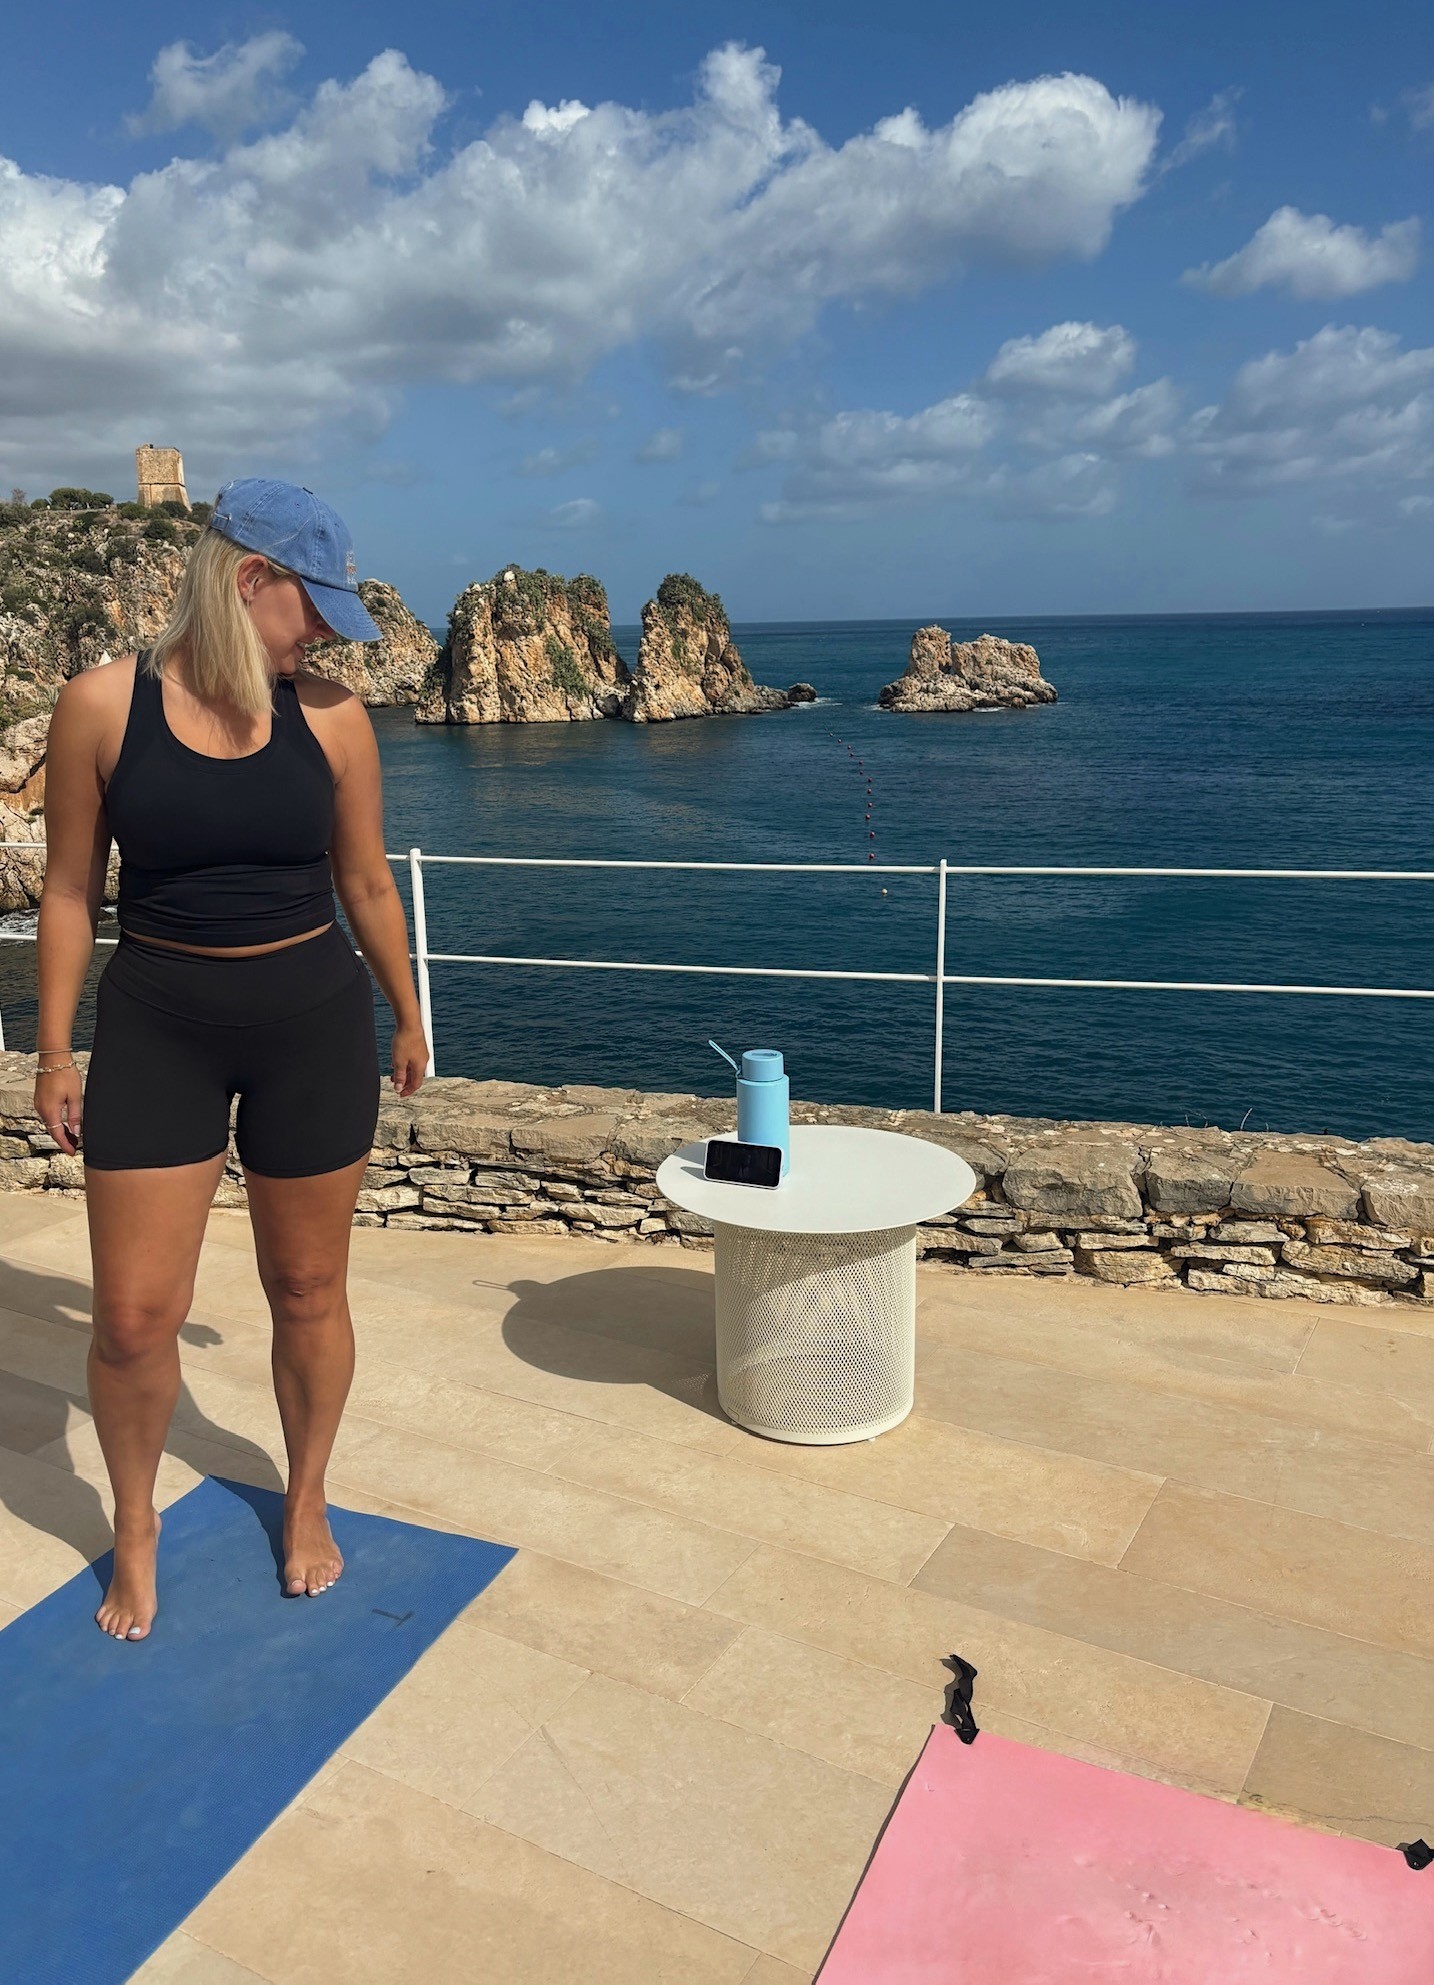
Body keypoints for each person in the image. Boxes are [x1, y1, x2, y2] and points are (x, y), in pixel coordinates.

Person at [33, 478, 430, 1641]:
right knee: (132, 1317)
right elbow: (68, 890)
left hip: (311, 1020)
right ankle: (135, 1523)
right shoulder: (101, 707)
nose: (326, 639)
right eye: (315, 610)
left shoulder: (335, 718)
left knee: (307, 1289)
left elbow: (367, 882)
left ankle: (305, 1498)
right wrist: (52, 1050)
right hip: (159, 1024)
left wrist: (410, 1011)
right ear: (250, 579)